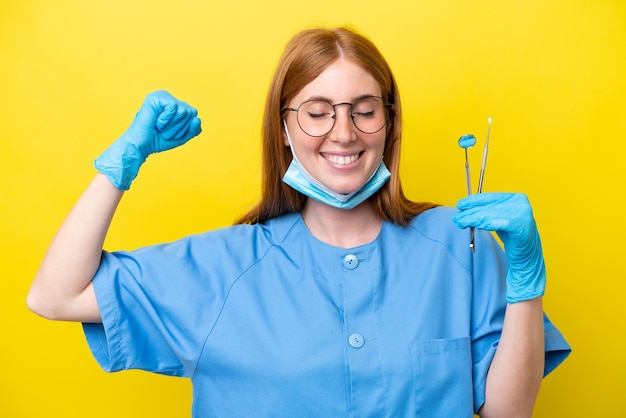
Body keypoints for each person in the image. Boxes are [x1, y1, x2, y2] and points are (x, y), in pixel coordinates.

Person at [27, 27, 570, 417]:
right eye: (316, 111)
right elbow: (55, 296)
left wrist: (526, 283)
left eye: (364, 109)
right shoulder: (224, 267)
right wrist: (120, 164)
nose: (343, 132)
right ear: (283, 128)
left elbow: (505, 412)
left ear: (389, 122)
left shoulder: (462, 247)